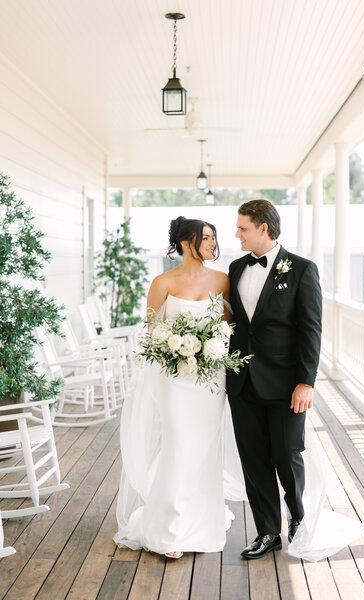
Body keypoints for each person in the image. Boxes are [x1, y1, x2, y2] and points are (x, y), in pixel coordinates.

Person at [114, 216, 234, 559]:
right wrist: (178, 345)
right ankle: (169, 529)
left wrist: (207, 346)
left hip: (209, 380)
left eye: (214, 238)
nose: (212, 244)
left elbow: (227, 326)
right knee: (179, 444)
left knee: (206, 448)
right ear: (185, 242)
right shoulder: (163, 281)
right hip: (175, 380)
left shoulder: (222, 280)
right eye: (206, 238)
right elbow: (153, 331)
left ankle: (201, 521)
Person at [227, 199, 323, 559]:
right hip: (242, 383)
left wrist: (306, 382)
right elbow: (237, 324)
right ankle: (268, 532)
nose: (237, 234)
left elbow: (310, 330)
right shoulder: (236, 268)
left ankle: (298, 519)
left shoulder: (302, 269)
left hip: (286, 386)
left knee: (287, 454)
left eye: (243, 228)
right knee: (253, 460)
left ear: (263, 228)